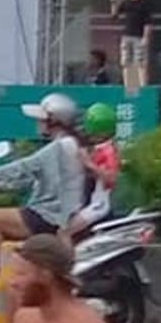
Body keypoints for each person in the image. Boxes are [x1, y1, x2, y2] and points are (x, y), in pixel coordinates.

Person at [0, 92, 87, 269]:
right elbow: (25, 178)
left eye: (41, 119)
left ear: (53, 121)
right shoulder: (70, 144)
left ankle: (10, 273)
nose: (38, 123)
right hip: (59, 213)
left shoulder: (59, 147)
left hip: (49, 215)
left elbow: (23, 168)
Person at [64, 102, 120, 239]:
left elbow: (112, 177)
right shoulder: (97, 148)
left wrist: (89, 164)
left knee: (63, 232)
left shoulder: (108, 151)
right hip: (89, 201)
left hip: (98, 205)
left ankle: (65, 259)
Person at [111, 0, 153, 90]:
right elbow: (115, 16)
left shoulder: (145, 2)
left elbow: (148, 21)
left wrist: (146, 37)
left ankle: (142, 87)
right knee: (126, 62)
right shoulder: (126, 1)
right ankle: (131, 87)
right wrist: (114, 3)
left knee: (139, 62)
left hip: (139, 35)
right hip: (127, 35)